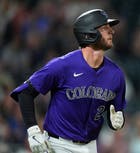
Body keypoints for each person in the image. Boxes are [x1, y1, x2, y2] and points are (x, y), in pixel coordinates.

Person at [10, 9, 126, 153]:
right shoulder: (63, 65)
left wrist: (116, 121)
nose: (112, 32)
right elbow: (25, 93)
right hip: (58, 145)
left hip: (91, 146)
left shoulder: (116, 74)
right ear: (88, 33)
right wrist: (33, 130)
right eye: (105, 28)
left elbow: (114, 112)